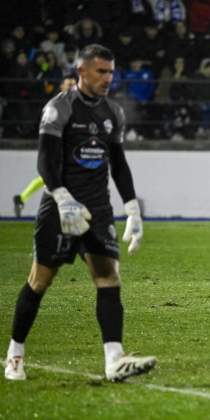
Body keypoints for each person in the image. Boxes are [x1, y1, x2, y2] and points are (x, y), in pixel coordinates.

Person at [4, 44, 156, 382]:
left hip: (98, 209)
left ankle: (114, 361)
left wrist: (132, 208)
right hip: (60, 207)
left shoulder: (113, 112)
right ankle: (15, 353)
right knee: (39, 281)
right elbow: (45, 159)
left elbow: (118, 163)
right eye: (101, 72)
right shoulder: (59, 108)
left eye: (111, 72)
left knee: (109, 278)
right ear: (82, 72)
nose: (108, 78)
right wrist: (60, 196)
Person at [12, 76, 78, 217]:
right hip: (56, 143)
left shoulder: (73, 103)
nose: (72, 86)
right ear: (61, 86)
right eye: (69, 84)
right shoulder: (56, 104)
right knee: (55, 175)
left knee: (51, 176)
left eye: (74, 84)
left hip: (66, 144)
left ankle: (22, 198)